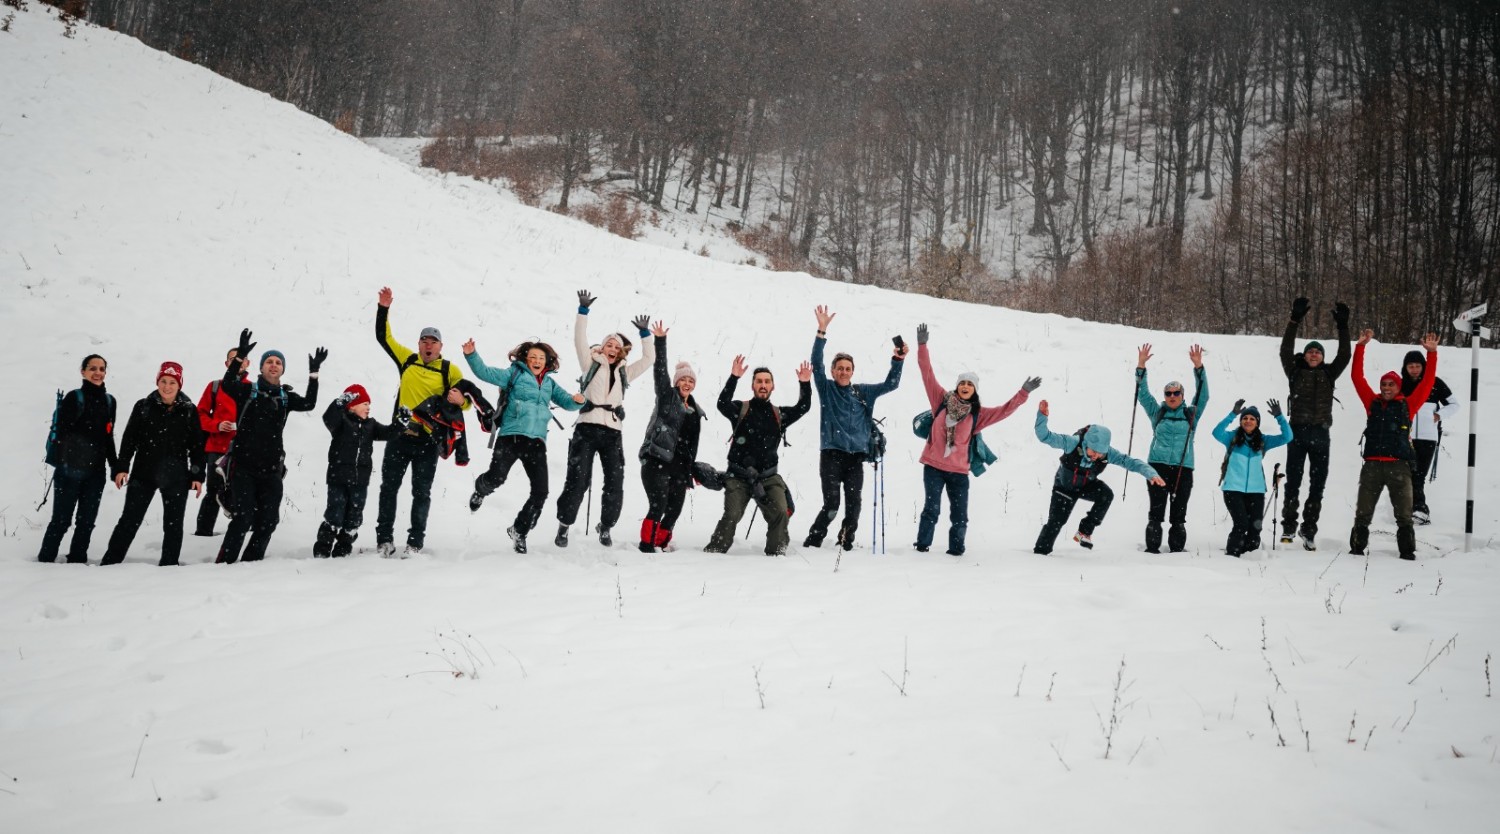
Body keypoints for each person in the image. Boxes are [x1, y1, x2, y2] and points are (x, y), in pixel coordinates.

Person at [913, 323, 1036, 556]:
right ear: (957, 386)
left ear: (975, 389)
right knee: (932, 509)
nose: (965, 386)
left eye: (970, 384)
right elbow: (926, 372)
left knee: (960, 515)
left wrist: (1023, 393)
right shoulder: (940, 400)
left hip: (959, 472)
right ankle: (921, 547)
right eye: (962, 383)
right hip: (933, 467)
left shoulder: (978, 415)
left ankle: (956, 551)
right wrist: (922, 345)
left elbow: (1005, 410)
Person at [464, 338, 584, 553]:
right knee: (497, 477)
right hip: (511, 436)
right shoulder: (514, 374)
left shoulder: (549, 383)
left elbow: (566, 402)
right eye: (533, 357)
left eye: (541, 358)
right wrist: (472, 354)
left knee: (541, 492)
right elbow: (485, 373)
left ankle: (519, 530)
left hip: (536, 442)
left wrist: (578, 400)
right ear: (525, 359)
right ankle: (480, 489)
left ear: (547, 361)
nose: (537, 361)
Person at [554, 290, 654, 547]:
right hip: (587, 428)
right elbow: (579, 339)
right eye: (609, 344)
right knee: (578, 481)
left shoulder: (625, 373)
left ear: (621, 353)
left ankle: (606, 526)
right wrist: (583, 311)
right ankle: (564, 524)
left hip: (612, 432)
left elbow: (649, 359)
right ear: (602, 347)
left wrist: (645, 335)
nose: (612, 348)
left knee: (615, 482)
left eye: (616, 347)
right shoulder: (590, 363)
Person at [373, 286, 467, 557]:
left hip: (428, 439)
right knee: (388, 488)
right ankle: (384, 540)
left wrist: (462, 400)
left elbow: (467, 401)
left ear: (440, 347)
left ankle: (415, 543)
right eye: (424, 340)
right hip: (399, 435)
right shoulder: (408, 360)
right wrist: (383, 308)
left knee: (421, 492)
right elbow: (384, 338)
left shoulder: (450, 370)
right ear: (418, 344)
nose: (428, 345)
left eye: (433, 342)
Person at [216, 331, 324, 564]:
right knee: (243, 518)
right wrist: (240, 355)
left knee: (269, 521)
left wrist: (314, 374)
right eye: (269, 362)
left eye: (278, 363)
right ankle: (224, 565)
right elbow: (227, 384)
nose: (273, 366)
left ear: (282, 369)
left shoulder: (285, 396)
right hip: (244, 467)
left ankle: (250, 564)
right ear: (261, 368)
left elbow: (309, 403)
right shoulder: (247, 391)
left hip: (271, 469)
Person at [804, 305, 906, 551]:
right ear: (833, 371)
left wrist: (898, 360)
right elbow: (816, 364)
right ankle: (814, 540)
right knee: (831, 504)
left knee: (854, 505)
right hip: (831, 455)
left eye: (847, 368)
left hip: (855, 458)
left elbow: (891, 384)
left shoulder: (863, 392)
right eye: (839, 368)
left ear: (852, 371)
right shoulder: (826, 389)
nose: (843, 371)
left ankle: (845, 541)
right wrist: (821, 332)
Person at [704, 356, 812, 556]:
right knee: (732, 514)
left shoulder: (779, 414)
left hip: (769, 477)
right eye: (759, 381)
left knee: (781, 512)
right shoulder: (741, 410)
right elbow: (722, 403)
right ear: (753, 385)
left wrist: (805, 383)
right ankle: (715, 552)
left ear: (773, 387)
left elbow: (803, 408)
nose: (763, 385)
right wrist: (733, 377)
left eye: (767, 382)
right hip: (738, 476)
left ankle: (776, 553)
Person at [100, 362, 205, 566]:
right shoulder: (143, 406)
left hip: (176, 477)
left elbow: (197, 447)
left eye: (172, 382)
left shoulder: (189, 410)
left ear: (179, 385)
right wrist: (122, 468)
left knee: (173, 525)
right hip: (143, 474)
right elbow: (129, 440)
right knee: (129, 520)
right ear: (157, 382)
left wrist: (198, 476)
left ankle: (169, 566)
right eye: (163, 381)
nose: (167, 386)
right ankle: (110, 563)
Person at [1348, 330, 1439, 560]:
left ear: (1399, 387)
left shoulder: (1409, 405)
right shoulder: (1372, 403)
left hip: (1399, 467)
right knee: (1363, 514)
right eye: (1384, 384)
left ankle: (1407, 553)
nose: (1387, 388)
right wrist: (1360, 348)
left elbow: (1427, 382)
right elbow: (1357, 379)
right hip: (1372, 467)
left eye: (1391, 384)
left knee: (1404, 515)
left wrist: (1432, 354)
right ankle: (1356, 550)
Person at [1033, 400, 1165, 555]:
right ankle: (1040, 554)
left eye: (1100, 453)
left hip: (1086, 486)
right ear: (1086, 444)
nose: (1096, 456)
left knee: (1106, 495)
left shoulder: (1108, 454)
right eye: (1092, 451)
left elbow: (1130, 462)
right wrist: (1042, 416)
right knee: (1056, 522)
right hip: (1064, 488)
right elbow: (1045, 436)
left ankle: (1084, 531)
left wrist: (1151, 473)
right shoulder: (1072, 443)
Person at [1278, 296, 1352, 550]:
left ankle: (1309, 529)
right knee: (1294, 482)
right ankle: (1289, 525)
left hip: (1321, 434)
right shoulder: (1294, 371)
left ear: (1322, 357)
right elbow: (1285, 351)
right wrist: (1294, 320)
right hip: (1296, 433)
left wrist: (1343, 327)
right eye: (1310, 351)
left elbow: (1344, 354)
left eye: (1318, 351)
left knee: (1317, 484)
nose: (1314, 354)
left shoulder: (1329, 373)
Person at [37, 354, 118, 564]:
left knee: (87, 522)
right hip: (69, 471)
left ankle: (77, 562)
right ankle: (45, 562)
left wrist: (115, 466)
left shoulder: (110, 402)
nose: (98, 373)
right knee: (61, 521)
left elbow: (108, 437)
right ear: (83, 372)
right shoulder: (74, 398)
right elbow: (63, 434)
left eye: (101, 369)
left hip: (96, 472)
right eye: (93, 368)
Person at [637, 321, 706, 553]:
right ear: (677, 382)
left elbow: (691, 444)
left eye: (691, 381)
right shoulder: (667, 397)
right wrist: (660, 341)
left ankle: (661, 542)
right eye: (683, 379)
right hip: (657, 459)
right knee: (658, 505)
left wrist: (690, 469)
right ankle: (646, 546)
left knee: (674, 509)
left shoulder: (696, 411)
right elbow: (660, 372)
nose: (687, 383)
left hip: (679, 466)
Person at [1134, 343, 1208, 553]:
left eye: (1176, 393)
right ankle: (1151, 551)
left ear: (1183, 396)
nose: (1172, 396)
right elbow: (1143, 395)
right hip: (1157, 467)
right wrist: (1141, 366)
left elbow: (1203, 395)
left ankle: (1177, 554)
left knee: (1179, 514)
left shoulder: (1191, 414)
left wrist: (1199, 368)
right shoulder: (1157, 412)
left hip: (1184, 468)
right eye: (1168, 393)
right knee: (1156, 512)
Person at [316, 385, 405, 558]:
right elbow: (328, 418)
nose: (368, 407)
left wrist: (401, 423)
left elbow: (389, 433)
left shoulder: (370, 425)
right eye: (364, 403)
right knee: (335, 511)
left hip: (360, 481)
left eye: (369, 404)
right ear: (352, 406)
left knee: (354, 515)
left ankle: (343, 547)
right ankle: (323, 547)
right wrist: (338, 403)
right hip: (338, 478)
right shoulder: (341, 422)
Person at [1212, 399, 1292, 557]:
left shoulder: (1263, 441)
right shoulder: (1232, 438)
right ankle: (1232, 555)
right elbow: (1217, 432)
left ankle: (1251, 555)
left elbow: (1287, 437)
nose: (1248, 421)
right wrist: (1233, 414)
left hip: (1256, 490)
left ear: (1257, 423)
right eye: (1245, 418)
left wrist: (1280, 417)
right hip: (1232, 488)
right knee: (1241, 524)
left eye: (1252, 419)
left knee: (1256, 526)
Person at [1400, 349, 1458, 524]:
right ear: (1406, 367)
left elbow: (1454, 404)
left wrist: (1439, 415)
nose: (1415, 369)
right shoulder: (1400, 384)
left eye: (1418, 366)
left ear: (1424, 367)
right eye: (1411, 366)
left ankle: (1419, 509)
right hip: (1405, 437)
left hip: (1428, 436)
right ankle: (1414, 508)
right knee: (1408, 473)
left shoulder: (1434, 383)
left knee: (1418, 474)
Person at [193, 348, 246, 536]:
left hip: (242, 450)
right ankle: (202, 534)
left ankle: (244, 533)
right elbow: (198, 415)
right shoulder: (215, 386)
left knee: (245, 492)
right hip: (217, 448)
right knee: (213, 492)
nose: (237, 363)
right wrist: (217, 425)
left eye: (241, 359)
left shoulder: (253, 388)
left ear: (247, 363)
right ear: (226, 364)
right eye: (233, 359)